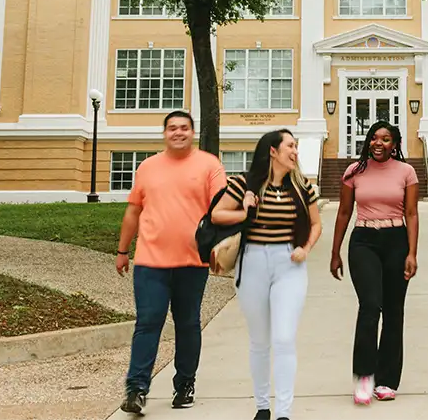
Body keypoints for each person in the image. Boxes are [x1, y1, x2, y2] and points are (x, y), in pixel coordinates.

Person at [116, 110, 227, 414]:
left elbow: (221, 210)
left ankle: (185, 385)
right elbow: (133, 211)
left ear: (194, 133)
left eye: (184, 128)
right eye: (172, 128)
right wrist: (123, 250)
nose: (178, 133)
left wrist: (217, 246)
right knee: (148, 322)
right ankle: (136, 389)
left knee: (188, 324)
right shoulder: (148, 166)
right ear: (164, 133)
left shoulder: (209, 165)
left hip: (193, 262)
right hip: (151, 262)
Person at [211, 128, 322, 420]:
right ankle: (262, 407)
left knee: (284, 339)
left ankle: (283, 412)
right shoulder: (244, 185)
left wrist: (306, 248)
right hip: (253, 262)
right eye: (290, 146)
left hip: (290, 263)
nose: (295, 151)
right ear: (272, 151)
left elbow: (316, 224)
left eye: (296, 146)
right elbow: (217, 215)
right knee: (260, 341)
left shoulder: (302, 187)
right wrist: (244, 212)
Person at [330, 121, 420, 405]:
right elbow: (344, 212)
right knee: (370, 307)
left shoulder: (406, 172)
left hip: (396, 240)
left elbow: (412, 213)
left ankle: (387, 381)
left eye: (386, 139)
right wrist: (335, 252)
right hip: (364, 241)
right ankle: (364, 378)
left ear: (395, 144)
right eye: (374, 138)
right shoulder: (354, 171)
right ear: (368, 141)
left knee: (394, 311)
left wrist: (412, 253)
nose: (379, 143)